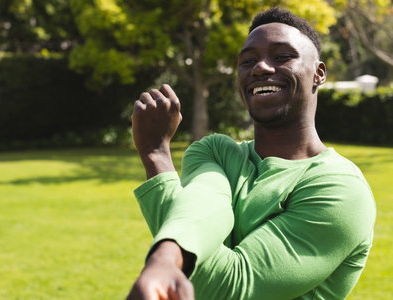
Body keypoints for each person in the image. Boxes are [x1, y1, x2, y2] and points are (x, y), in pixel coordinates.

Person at [127, 7, 376, 300]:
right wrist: (165, 260)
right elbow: (204, 204)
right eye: (247, 61)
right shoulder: (215, 151)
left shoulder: (340, 189)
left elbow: (233, 286)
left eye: (282, 56)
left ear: (318, 74)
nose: (260, 67)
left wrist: (157, 155)